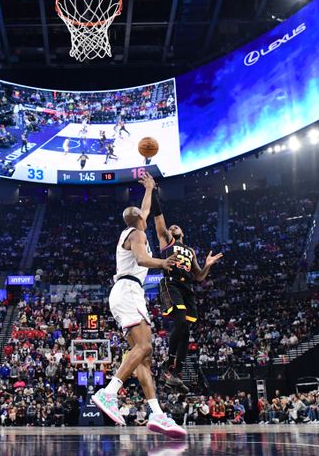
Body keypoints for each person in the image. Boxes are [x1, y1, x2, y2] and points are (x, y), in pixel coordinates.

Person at [91, 173, 186, 439]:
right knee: (145, 346)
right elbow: (144, 260)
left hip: (126, 292)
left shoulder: (134, 228)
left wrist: (149, 189)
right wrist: (164, 263)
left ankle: (156, 414)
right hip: (129, 290)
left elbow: (144, 212)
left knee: (143, 357)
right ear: (140, 221)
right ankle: (109, 393)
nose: (144, 214)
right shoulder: (137, 235)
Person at [150, 184, 222, 392]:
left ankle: (176, 372)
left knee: (186, 332)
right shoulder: (166, 241)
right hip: (171, 284)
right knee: (180, 322)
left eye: (175, 227)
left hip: (187, 288)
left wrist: (207, 265)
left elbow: (199, 276)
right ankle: (167, 366)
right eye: (171, 227)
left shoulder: (189, 250)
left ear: (183, 232)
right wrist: (154, 193)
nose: (172, 227)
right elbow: (158, 217)